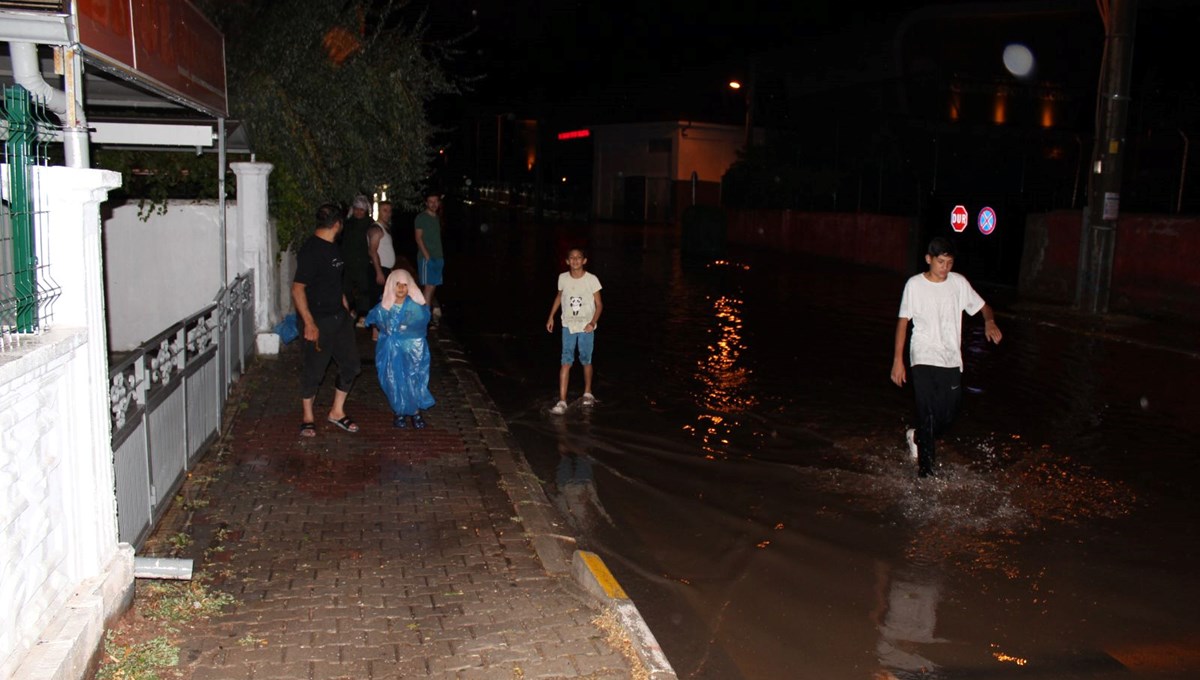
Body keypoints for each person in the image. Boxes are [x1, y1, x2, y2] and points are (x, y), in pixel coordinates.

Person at [890, 237, 1002, 477]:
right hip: (922, 357)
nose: (945, 268)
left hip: (951, 359)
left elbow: (983, 306)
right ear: (928, 259)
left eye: (950, 263)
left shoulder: (958, 283)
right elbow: (903, 322)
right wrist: (898, 360)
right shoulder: (914, 285)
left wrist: (989, 321)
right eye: (941, 262)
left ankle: (917, 437)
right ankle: (926, 475)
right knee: (928, 414)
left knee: (949, 414)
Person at [292, 203, 362, 437]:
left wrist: (344, 305)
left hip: (338, 317)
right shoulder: (311, 250)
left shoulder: (333, 247)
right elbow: (298, 289)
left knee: (351, 365)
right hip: (317, 320)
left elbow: (334, 280)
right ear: (337, 224)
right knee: (314, 370)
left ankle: (336, 411)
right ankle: (307, 416)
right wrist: (309, 323)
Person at [365, 269, 435, 429]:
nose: (402, 288)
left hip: (412, 349)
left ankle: (415, 412)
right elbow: (376, 318)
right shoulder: (384, 306)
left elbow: (422, 322)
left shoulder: (415, 307)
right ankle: (399, 411)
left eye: (405, 284)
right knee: (393, 379)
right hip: (391, 350)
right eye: (398, 284)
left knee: (413, 378)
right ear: (391, 285)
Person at [545, 248, 603, 415]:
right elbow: (559, 296)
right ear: (567, 261)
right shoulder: (562, 278)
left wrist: (593, 322)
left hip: (586, 326)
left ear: (584, 260)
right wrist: (551, 316)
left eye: (579, 257)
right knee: (566, 360)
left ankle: (588, 392)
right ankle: (562, 401)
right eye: (572, 258)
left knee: (586, 359)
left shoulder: (591, 279)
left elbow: (599, 304)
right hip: (568, 325)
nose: (576, 260)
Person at [341, 194, 375, 324]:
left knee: (364, 289)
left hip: (363, 262)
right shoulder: (348, 224)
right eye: (356, 209)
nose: (359, 212)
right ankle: (349, 311)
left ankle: (363, 315)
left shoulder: (370, 224)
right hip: (348, 262)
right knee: (346, 288)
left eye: (362, 209)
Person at [414, 191, 444, 320]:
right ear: (426, 203)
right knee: (427, 288)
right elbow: (418, 238)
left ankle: (426, 315)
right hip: (427, 258)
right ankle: (424, 318)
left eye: (436, 201)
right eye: (431, 202)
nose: (433, 204)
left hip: (439, 257)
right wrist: (427, 257)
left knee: (433, 287)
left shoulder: (437, 218)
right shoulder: (421, 218)